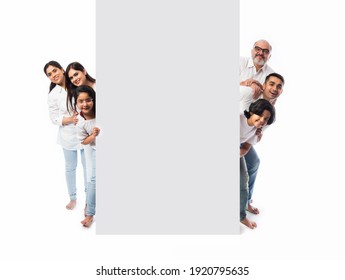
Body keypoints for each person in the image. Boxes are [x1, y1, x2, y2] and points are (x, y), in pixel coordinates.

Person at [44, 61, 87, 210]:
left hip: (84, 132)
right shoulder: (53, 95)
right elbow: (53, 118)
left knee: (88, 167)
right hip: (67, 136)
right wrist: (69, 119)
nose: (53, 75)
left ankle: (90, 198)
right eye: (49, 74)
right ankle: (73, 198)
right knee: (70, 167)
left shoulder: (75, 83)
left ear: (62, 70)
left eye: (55, 70)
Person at [240, 72, 284, 215]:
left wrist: (257, 136)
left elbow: (256, 135)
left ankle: (246, 201)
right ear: (263, 85)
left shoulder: (271, 114)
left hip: (243, 139)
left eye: (279, 86)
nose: (274, 88)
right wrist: (242, 83)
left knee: (254, 162)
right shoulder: (249, 92)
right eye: (271, 84)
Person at [239, 40, 275, 215]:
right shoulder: (239, 63)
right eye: (258, 49)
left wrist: (253, 138)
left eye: (265, 51)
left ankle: (245, 202)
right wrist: (245, 83)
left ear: (269, 55)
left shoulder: (271, 76)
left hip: (247, 130)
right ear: (252, 50)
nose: (261, 53)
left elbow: (270, 108)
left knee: (253, 163)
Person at [240, 99, 275, 229]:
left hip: (238, 149)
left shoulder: (256, 131)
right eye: (259, 115)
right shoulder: (239, 118)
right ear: (251, 111)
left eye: (265, 119)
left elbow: (244, 149)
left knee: (250, 169)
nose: (262, 121)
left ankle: (243, 209)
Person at [74, 85, 99, 227]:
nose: (85, 104)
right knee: (93, 180)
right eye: (81, 101)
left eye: (88, 100)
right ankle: (90, 213)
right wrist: (93, 135)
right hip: (96, 150)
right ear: (77, 103)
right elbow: (84, 141)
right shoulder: (80, 122)